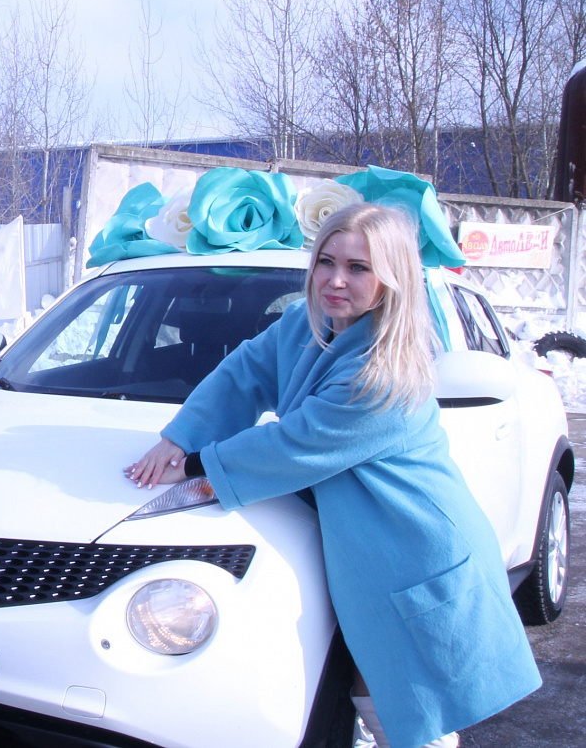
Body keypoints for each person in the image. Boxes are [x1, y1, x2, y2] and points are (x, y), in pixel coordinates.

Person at [124, 202, 540, 748]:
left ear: (392, 280)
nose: (335, 280)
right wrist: (181, 435)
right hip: (373, 553)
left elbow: (294, 445)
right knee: (380, 702)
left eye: (359, 268)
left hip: (416, 556)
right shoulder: (307, 324)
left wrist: (196, 465)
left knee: (412, 716)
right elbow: (247, 368)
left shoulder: (385, 374)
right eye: (326, 261)